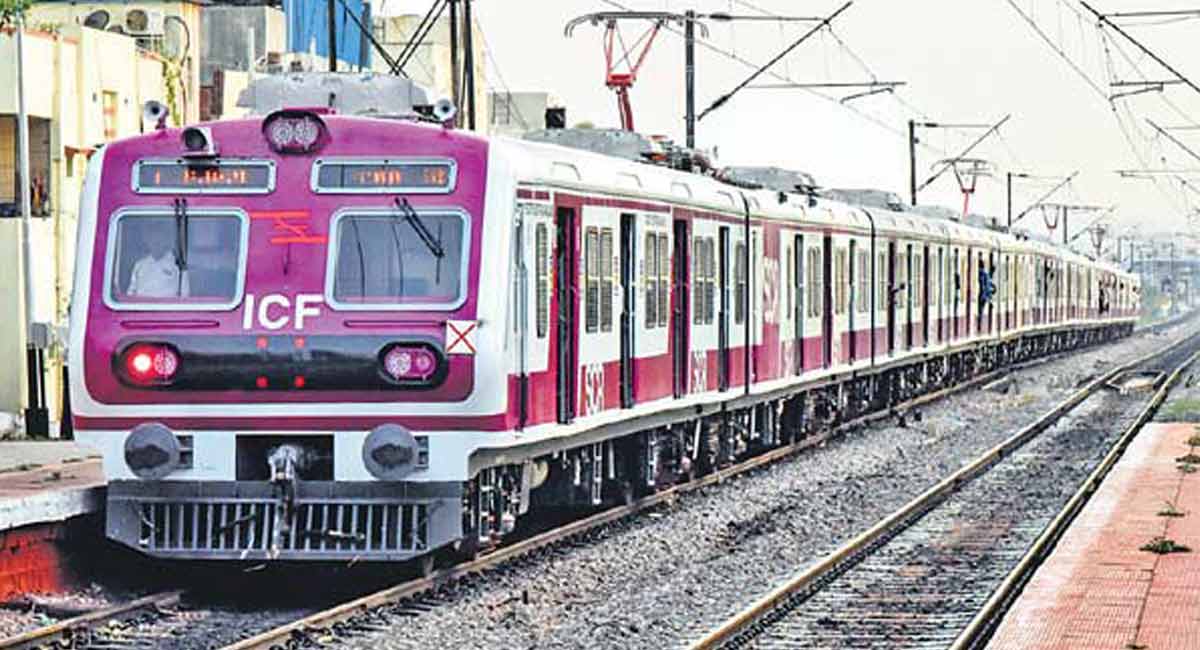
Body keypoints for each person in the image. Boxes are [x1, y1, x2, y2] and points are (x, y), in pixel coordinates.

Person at [127, 220, 189, 298]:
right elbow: (131, 293)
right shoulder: (140, 265)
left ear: (166, 240)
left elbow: (185, 295)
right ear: (147, 241)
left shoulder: (178, 265)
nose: (155, 241)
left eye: (159, 237)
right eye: (152, 238)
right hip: (142, 307)